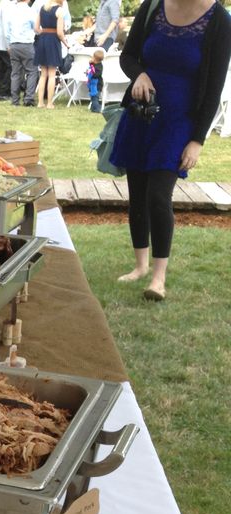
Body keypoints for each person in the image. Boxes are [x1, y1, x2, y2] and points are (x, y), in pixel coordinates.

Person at [110, 0, 231, 300]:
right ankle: (139, 266)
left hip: (180, 123)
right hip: (142, 115)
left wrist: (197, 140)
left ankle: (158, 278)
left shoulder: (219, 20)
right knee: (137, 193)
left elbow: (215, 87)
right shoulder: (152, 6)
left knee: (158, 196)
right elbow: (128, 56)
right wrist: (138, 74)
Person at [5, 0, 39, 106]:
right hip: (27, 44)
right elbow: (36, 28)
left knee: (15, 73)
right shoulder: (31, 11)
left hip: (14, 44)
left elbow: (7, 31)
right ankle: (28, 99)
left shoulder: (10, 11)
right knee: (32, 71)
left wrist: (9, 44)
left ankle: (14, 100)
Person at [34, 0, 67, 108]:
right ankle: (49, 103)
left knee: (43, 74)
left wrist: (44, 33)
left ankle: (40, 102)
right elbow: (60, 32)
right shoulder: (60, 10)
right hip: (53, 41)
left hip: (42, 40)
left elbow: (36, 28)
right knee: (52, 74)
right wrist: (66, 43)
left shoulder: (42, 8)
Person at [0, 0, 15, 100]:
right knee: (9, 66)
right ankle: (4, 92)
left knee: (0, 68)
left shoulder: (1, 4)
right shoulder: (7, 5)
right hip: (3, 41)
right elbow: (6, 26)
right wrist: (9, 44)